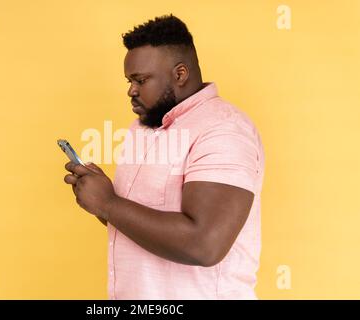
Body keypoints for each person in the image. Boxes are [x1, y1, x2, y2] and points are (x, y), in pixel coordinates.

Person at [63, 14, 265, 299]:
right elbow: (138, 221)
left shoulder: (224, 129)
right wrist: (100, 197)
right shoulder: (144, 127)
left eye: (140, 80)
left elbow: (204, 244)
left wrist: (108, 204)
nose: (131, 90)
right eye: (129, 80)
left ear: (180, 74)